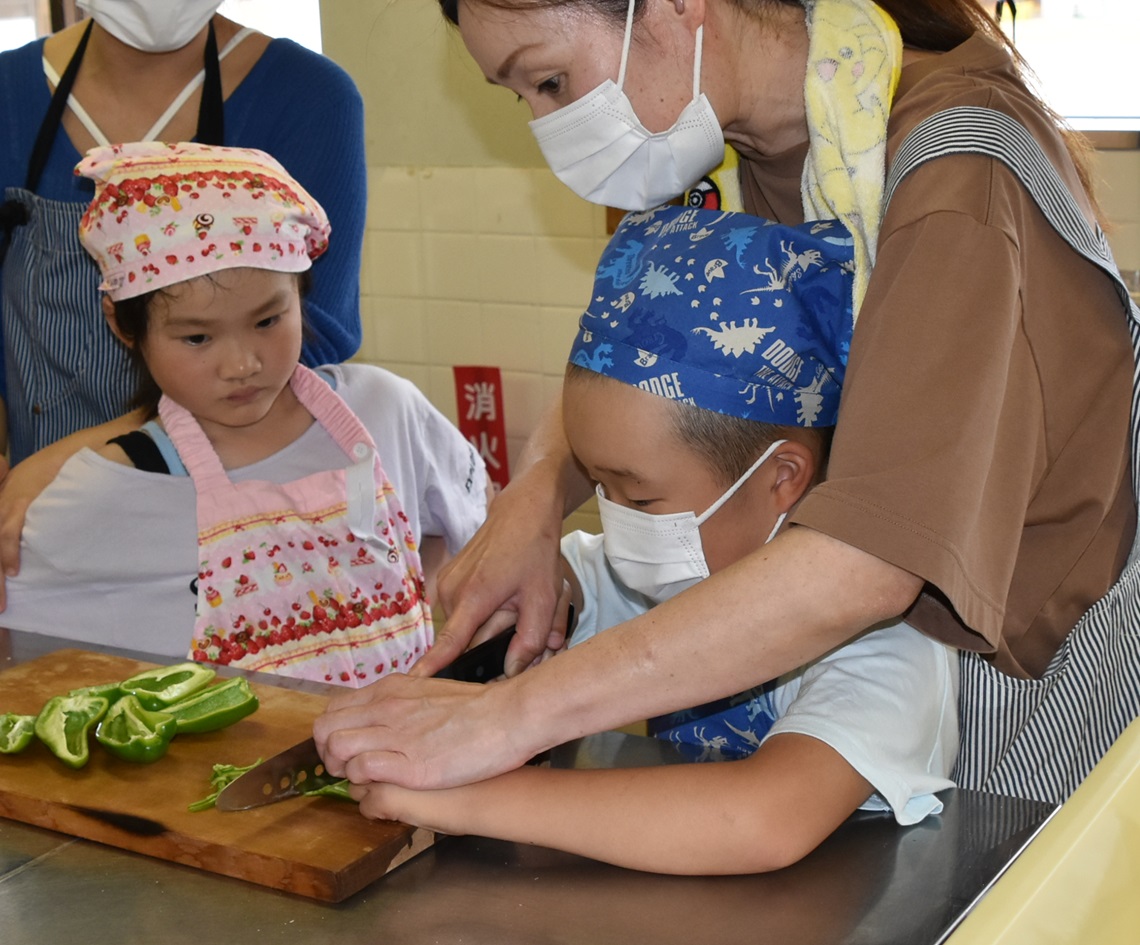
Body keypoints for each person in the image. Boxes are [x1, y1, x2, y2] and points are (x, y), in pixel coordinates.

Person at [315, 0, 1139, 802]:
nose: (548, 125)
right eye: (520, 97)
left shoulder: (961, 173)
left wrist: (510, 718)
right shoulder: (703, 152)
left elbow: (870, 563)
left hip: (1021, 686)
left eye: (552, 82)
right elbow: (640, 369)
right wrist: (535, 495)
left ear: (675, 8)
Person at [328, 205, 958, 873]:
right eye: (598, 486)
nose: (616, 520)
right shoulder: (656, 571)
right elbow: (569, 590)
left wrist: (466, 793)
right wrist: (528, 601)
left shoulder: (884, 636)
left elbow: (759, 819)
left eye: (640, 498)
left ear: (781, 477)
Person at [0, 141, 488, 685]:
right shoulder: (113, 487)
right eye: (197, 338)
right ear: (123, 325)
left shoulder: (385, 408)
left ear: (300, 293)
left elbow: (476, 525)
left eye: (267, 321)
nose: (242, 365)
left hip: (408, 734)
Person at [0, 1, 366, 466]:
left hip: (232, 481)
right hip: (41, 494)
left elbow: (314, 340)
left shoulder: (310, 96)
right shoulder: (9, 92)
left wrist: (100, 457)